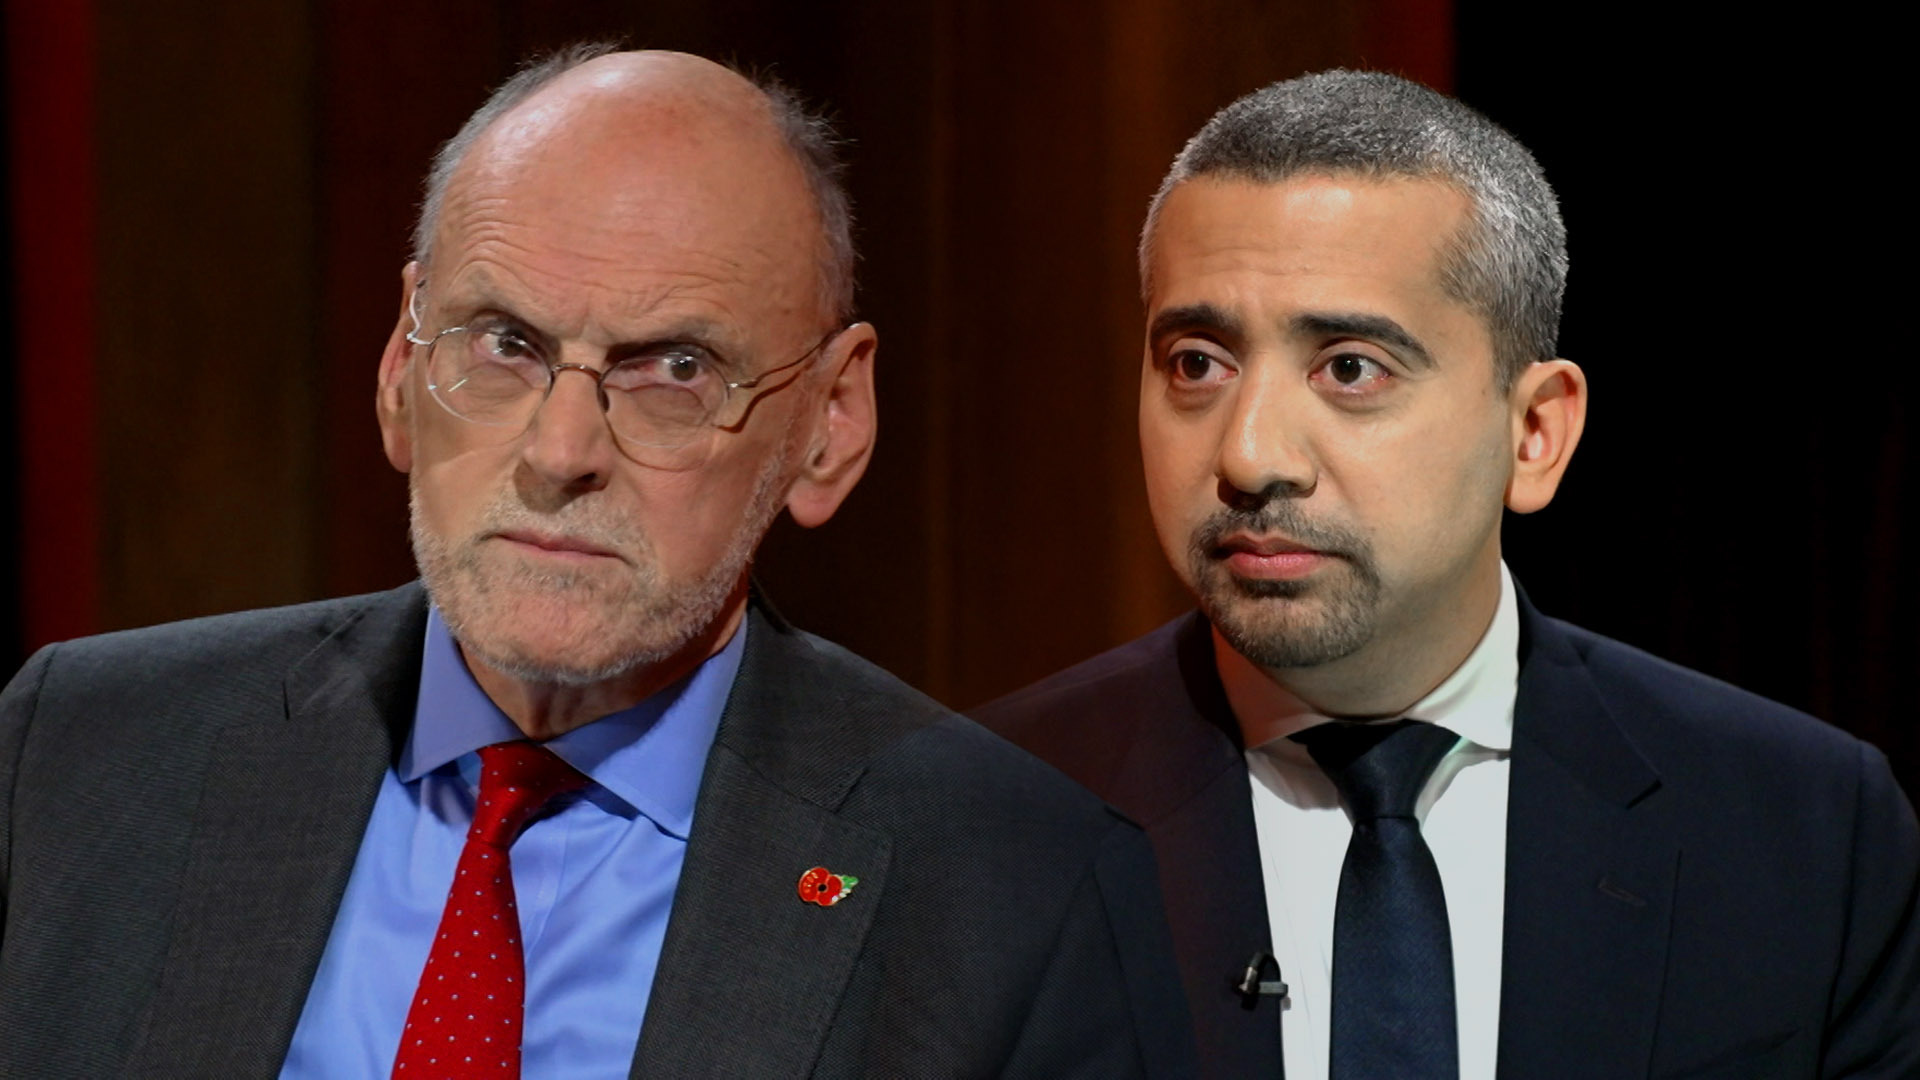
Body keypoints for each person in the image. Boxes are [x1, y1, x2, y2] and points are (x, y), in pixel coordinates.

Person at [0, 48, 1194, 1078]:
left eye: (674, 369)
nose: (560, 452)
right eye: (503, 343)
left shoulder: (1017, 891)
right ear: (400, 368)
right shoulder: (83, 752)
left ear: (830, 423)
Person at [975, 70, 1919, 1080]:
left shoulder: (1806, 829)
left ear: (1534, 431)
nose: (1249, 456)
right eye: (1198, 362)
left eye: (1349, 368)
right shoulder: (977, 819)